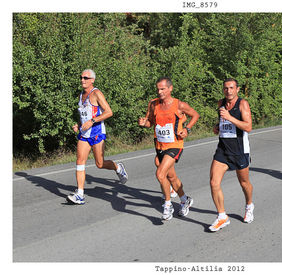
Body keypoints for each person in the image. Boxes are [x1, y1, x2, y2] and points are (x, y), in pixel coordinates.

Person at [138, 77, 199, 221]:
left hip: (175, 144)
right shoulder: (153, 104)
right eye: (158, 89)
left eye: (163, 89)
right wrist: (144, 123)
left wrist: (187, 129)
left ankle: (168, 205)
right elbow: (150, 123)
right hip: (159, 145)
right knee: (170, 176)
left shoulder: (179, 105)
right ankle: (184, 199)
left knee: (160, 173)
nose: (160, 92)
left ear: (170, 88)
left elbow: (195, 115)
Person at [67, 69, 128, 204]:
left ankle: (118, 168)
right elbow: (84, 115)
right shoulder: (81, 95)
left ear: (92, 80)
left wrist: (92, 121)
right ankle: (80, 194)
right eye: (81, 77)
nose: (82, 80)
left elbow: (109, 112)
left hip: (97, 132)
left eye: (86, 78)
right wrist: (78, 124)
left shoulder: (96, 93)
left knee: (100, 164)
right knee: (79, 161)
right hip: (84, 134)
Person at [208, 78, 254, 232]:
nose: (228, 91)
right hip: (223, 149)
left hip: (240, 150)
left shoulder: (243, 104)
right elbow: (222, 122)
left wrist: (230, 118)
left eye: (231, 88)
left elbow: (248, 127)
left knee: (244, 183)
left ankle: (249, 205)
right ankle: (222, 216)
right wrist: (217, 127)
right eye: (226, 88)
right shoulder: (220, 103)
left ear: (237, 89)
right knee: (214, 182)